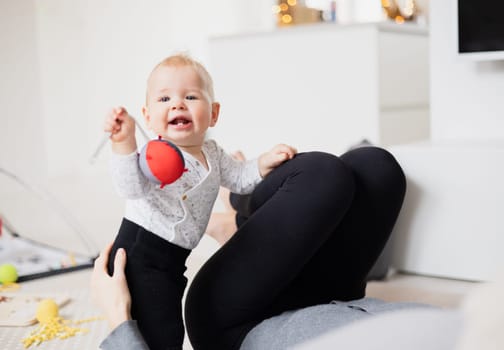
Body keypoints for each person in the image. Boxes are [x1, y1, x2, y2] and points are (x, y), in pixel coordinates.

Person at [92, 140, 408, 349]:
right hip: (335, 300)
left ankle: (240, 215)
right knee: (377, 167)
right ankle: (241, 208)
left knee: (320, 173)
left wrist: (119, 316)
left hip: (236, 328)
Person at [103, 53, 296, 350]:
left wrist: (264, 162)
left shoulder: (213, 153)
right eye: (164, 99)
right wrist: (124, 142)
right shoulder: (155, 154)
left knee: (167, 320)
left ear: (214, 113)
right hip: (141, 252)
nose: (178, 104)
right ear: (148, 116)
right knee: (159, 328)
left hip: (172, 258)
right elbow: (130, 188)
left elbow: (240, 177)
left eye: (190, 96)